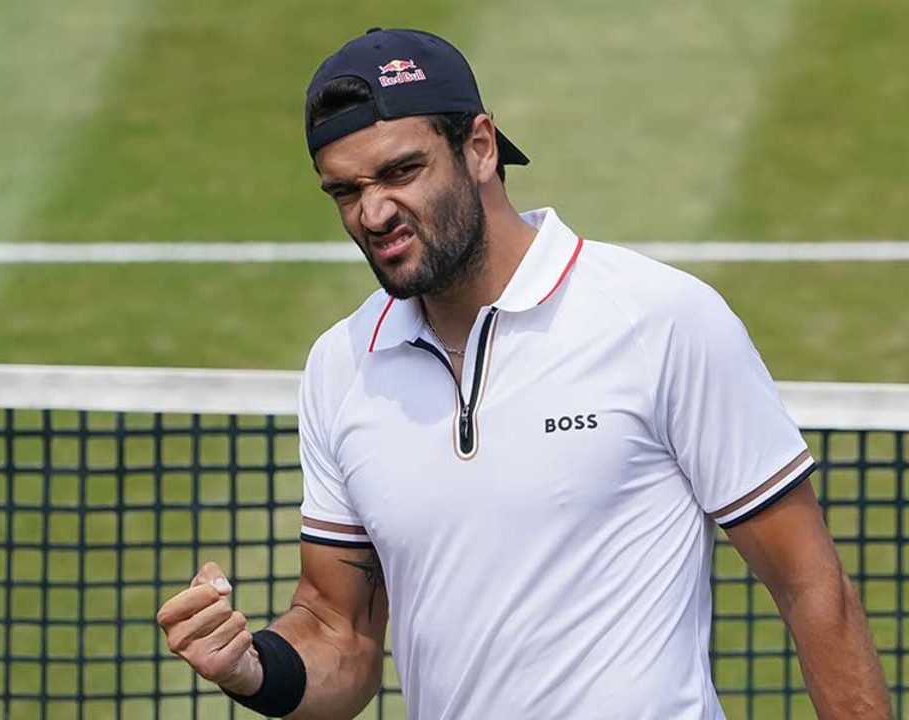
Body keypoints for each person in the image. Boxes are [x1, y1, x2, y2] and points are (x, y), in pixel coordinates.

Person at [156, 27, 892, 719]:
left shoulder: (658, 319)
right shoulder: (340, 367)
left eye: (402, 171)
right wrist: (253, 667)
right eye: (345, 191)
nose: (374, 212)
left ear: (479, 147)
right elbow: (339, 632)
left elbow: (812, 589)